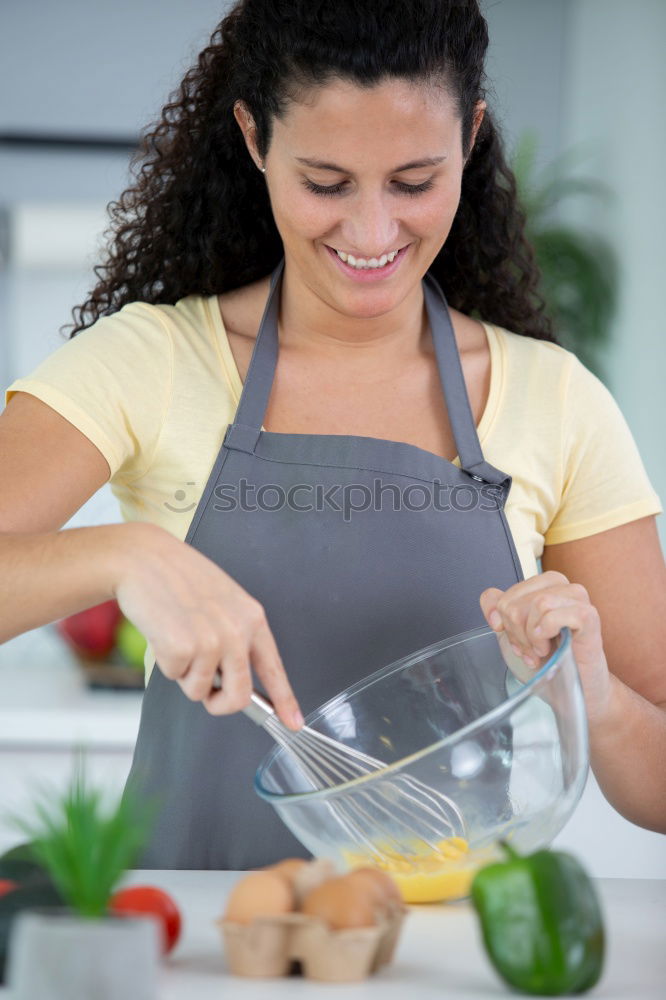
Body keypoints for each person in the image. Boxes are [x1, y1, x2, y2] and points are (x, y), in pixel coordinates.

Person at [1, 0, 665, 867]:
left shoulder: (555, 399)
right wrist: (124, 556)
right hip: (199, 955)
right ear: (254, 138)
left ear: (470, 138)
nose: (372, 232)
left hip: (442, 964)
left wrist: (593, 694)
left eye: (415, 182)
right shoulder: (155, 361)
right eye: (326, 184)